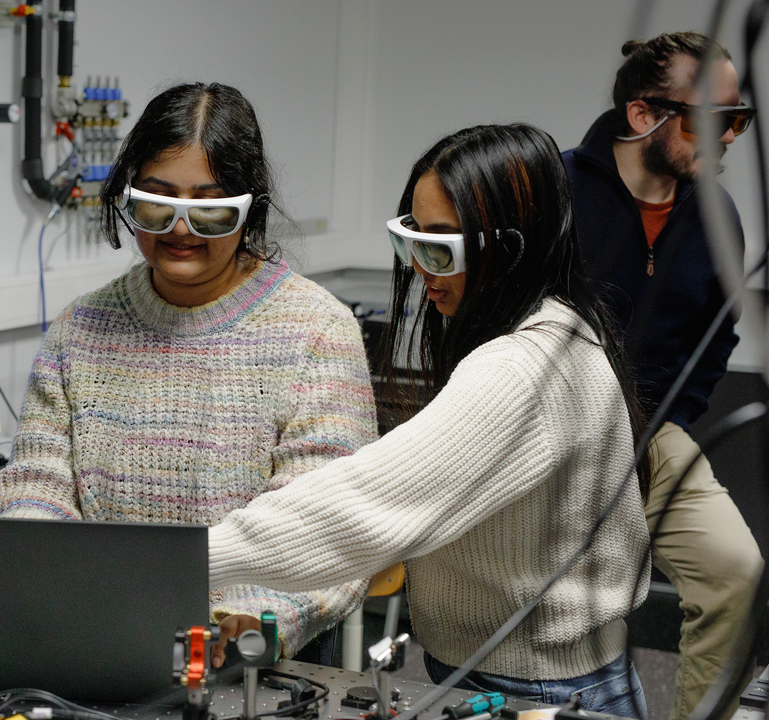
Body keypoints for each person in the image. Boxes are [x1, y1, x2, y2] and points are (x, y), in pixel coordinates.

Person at [207, 124, 653, 717]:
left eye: (441, 248)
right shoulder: (561, 325)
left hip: (537, 691)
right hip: (531, 675)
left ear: (512, 247)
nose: (420, 268)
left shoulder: (523, 371)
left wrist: (186, 555)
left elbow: (362, 505)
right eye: (410, 239)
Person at [0, 82, 379, 665]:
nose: (180, 230)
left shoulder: (316, 331)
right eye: (157, 203)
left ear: (249, 210)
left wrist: (250, 620)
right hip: (102, 638)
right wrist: (48, 572)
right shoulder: (80, 329)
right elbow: (39, 483)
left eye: (210, 209)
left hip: (257, 659)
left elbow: (322, 523)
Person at [561, 32, 763, 720]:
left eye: (739, 119)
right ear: (643, 115)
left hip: (652, 434)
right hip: (549, 438)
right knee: (563, 607)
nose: (728, 137)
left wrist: (673, 416)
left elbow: (718, 331)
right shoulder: (555, 193)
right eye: (711, 118)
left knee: (737, 574)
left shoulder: (716, 216)